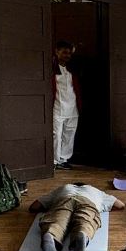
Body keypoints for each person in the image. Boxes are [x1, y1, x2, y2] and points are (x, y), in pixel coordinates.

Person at [29, 183, 125, 251]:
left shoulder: (63, 187)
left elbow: (34, 206)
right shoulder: (95, 190)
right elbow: (120, 205)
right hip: (88, 201)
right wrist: (102, 206)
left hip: (64, 198)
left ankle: (51, 235)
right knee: (86, 220)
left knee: (57, 220)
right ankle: (82, 233)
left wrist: (48, 207)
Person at [52, 40, 80, 170]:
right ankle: (54, 161)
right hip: (57, 106)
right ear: (57, 52)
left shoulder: (72, 68)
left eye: (69, 53)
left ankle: (64, 159)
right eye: (64, 52)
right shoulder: (51, 68)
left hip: (72, 106)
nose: (67, 55)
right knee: (56, 134)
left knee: (69, 133)